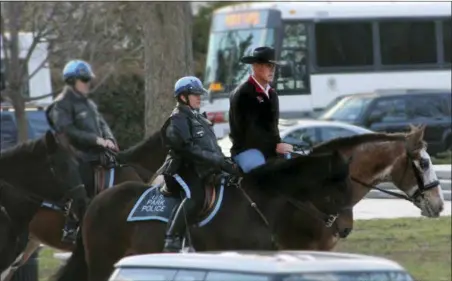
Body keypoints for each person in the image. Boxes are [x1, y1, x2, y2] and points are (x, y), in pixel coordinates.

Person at [160, 76, 240, 252]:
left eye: (199, 94)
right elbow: (189, 150)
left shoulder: (201, 119)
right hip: (181, 169)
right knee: (195, 196)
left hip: (201, 168)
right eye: (195, 94)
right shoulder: (178, 119)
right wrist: (217, 161)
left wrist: (225, 162)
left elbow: (212, 148)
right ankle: (172, 237)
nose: (199, 97)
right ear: (183, 97)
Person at [46, 59, 119, 243]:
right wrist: (96, 140)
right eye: (84, 80)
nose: (88, 84)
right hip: (75, 155)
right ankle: (71, 227)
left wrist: (109, 139)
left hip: (97, 152)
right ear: (72, 81)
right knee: (82, 182)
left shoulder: (88, 103)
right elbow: (68, 130)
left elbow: (101, 123)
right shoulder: (61, 104)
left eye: (88, 80)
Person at [229, 46, 294, 173]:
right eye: (268, 66)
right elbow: (250, 131)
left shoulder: (273, 94)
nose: (272, 70)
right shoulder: (243, 93)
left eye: (273, 67)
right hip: (246, 150)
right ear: (255, 67)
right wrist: (275, 146)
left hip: (268, 150)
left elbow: (273, 130)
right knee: (263, 175)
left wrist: (280, 144)